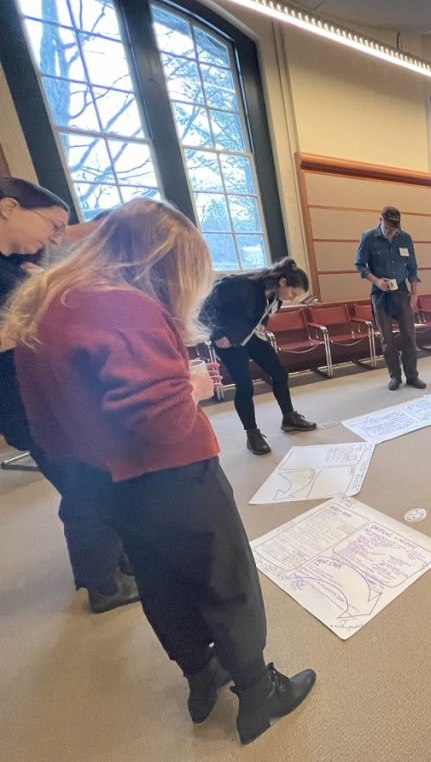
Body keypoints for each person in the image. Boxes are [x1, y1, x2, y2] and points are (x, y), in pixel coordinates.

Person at [4, 199, 315, 744]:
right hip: (173, 476)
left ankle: (201, 678)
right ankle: (258, 694)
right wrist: (192, 388)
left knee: (160, 581)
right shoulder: (122, 306)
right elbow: (162, 421)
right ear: (159, 259)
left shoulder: (43, 301)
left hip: (101, 481)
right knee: (227, 579)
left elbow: (39, 425)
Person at [0, 178, 138, 613]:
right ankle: (103, 585)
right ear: (8, 208)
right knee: (88, 489)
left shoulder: (19, 259)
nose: (56, 237)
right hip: (29, 406)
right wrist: (48, 298)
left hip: (59, 396)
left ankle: (119, 562)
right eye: (53, 226)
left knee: (105, 479)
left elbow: (71, 242)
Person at [202, 257, 317, 455]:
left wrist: (263, 324)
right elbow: (205, 305)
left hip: (251, 335)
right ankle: (252, 434)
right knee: (245, 386)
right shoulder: (243, 285)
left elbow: (262, 314)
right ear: (282, 281)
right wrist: (216, 333)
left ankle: (289, 418)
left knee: (279, 373)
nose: (292, 298)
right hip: (228, 340)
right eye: (292, 292)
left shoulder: (275, 297)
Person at [355, 205, 425, 390]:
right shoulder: (368, 238)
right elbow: (360, 265)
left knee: (409, 336)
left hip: (401, 291)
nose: (391, 231)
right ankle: (395, 376)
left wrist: (415, 292)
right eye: (388, 227)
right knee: (387, 339)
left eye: (394, 227)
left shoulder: (405, 238)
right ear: (380, 220)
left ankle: (412, 376)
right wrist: (377, 281)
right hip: (380, 293)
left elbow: (412, 267)